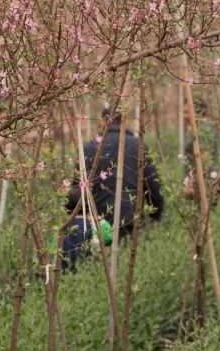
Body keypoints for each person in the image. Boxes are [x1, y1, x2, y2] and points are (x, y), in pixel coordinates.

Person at [61, 106, 165, 270]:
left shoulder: (90, 148)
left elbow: (77, 188)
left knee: (99, 266)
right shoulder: (139, 145)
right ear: (124, 122)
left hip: (98, 220)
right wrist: (157, 212)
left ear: (102, 122)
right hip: (129, 217)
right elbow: (151, 183)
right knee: (125, 266)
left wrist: (80, 217)